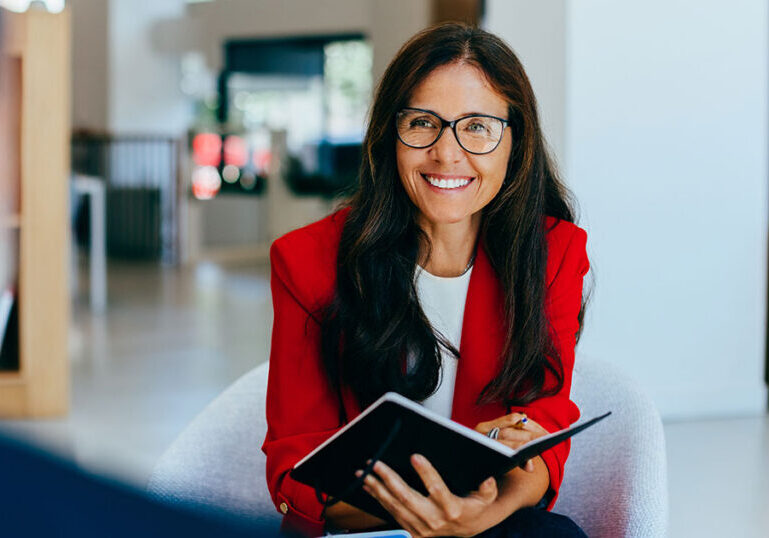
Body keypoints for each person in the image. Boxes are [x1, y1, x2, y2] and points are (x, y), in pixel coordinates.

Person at [262, 22, 590, 538]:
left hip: (491, 520)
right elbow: (298, 468)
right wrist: (432, 512)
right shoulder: (306, 260)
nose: (447, 153)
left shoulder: (554, 252)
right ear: (389, 135)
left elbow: (543, 425)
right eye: (422, 123)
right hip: (368, 530)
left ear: (515, 141)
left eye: (477, 126)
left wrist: (478, 514)